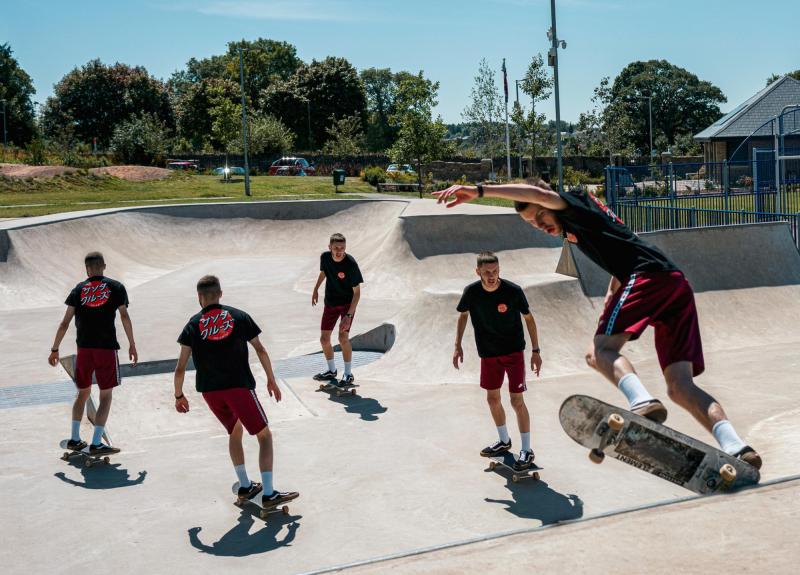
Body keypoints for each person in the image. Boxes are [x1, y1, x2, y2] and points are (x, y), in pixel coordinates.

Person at [434, 181, 762, 469]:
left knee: (598, 352)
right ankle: (737, 446)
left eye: (540, 217)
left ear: (549, 202)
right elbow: (619, 264)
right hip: (674, 284)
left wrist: (479, 191)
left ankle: (642, 402)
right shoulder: (586, 223)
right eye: (533, 225)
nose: (540, 225)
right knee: (680, 386)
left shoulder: (572, 204)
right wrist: (608, 304)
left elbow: (536, 192)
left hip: (648, 277)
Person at [174, 275, 298, 506]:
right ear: (220, 293)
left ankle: (245, 485)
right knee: (265, 436)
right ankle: (269, 493)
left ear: (199, 298)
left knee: (235, 430)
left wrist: (179, 395)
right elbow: (260, 350)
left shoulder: (192, 324)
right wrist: (271, 379)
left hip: (210, 392)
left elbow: (180, 367)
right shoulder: (239, 316)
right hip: (238, 387)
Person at [454, 251, 543, 470]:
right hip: (488, 354)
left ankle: (526, 450)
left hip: (513, 352)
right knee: (492, 399)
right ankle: (504, 441)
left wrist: (536, 350)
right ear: (478, 272)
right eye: (487, 272)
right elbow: (463, 315)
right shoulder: (471, 292)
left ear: (499, 270)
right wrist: (457, 345)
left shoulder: (513, 291)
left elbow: (529, 320)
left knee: (516, 401)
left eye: (495, 271)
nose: (492, 276)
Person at [48, 251, 137, 455]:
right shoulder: (116, 287)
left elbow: (64, 322)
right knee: (105, 395)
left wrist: (55, 348)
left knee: (82, 394)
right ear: (103, 266)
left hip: (84, 349)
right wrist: (132, 344)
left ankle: (75, 438)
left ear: (87, 269)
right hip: (105, 349)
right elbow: (124, 316)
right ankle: (96, 442)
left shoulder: (78, 290)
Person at [311, 233, 364, 389]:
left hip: (347, 304)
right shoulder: (325, 257)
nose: (339, 251)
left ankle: (348, 374)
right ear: (330, 247)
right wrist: (316, 288)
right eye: (336, 248)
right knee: (324, 339)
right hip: (331, 303)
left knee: (343, 338)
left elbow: (357, 293)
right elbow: (324, 272)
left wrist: (348, 315)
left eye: (342, 248)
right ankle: (331, 370)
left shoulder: (351, 264)